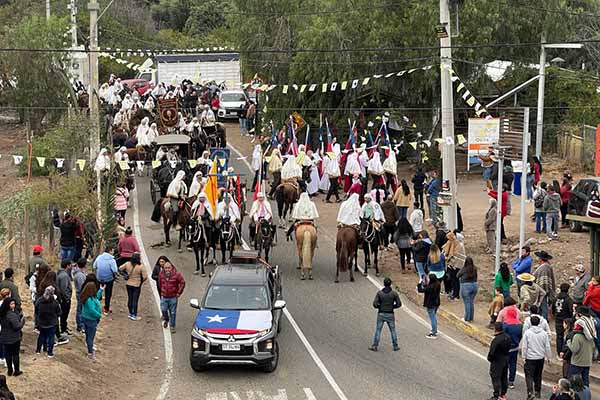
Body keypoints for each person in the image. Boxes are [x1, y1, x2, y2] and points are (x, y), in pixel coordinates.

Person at [521, 315, 552, 400]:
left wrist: (523, 356)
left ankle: (530, 392)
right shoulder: (544, 333)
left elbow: (524, 346)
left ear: (531, 322)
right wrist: (549, 357)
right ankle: (538, 392)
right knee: (538, 375)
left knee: (529, 376)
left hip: (530, 358)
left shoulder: (527, 333)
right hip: (540, 358)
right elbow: (547, 346)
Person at [369, 277, 401, 351]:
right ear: (390, 284)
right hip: (390, 314)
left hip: (381, 313)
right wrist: (392, 307)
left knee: (378, 330)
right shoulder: (394, 293)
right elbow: (399, 304)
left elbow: (375, 304)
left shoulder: (380, 293)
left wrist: (380, 306)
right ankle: (395, 346)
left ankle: (375, 346)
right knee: (392, 330)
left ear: (384, 284)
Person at [566, 306, 595, 387]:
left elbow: (574, 349)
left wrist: (568, 342)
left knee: (572, 382)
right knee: (585, 382)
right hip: (587, 362)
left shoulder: (577, 336)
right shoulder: (591, 336)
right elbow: (593, 347)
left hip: (577, 362)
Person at [119, 252, 147, 321]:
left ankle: (130, 313)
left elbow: (120, 269)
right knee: (135, 300)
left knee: (130, 298)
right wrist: (141, 281)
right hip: (137, 285)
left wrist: (125, 274)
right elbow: (145, 276)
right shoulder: (140, 267)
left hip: (128, 283)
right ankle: (134, 314)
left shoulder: (127, 264)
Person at [34, 286, 61, 358]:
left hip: (42, 322)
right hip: (52, 323)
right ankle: (50, 352)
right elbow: (59, 312)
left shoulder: (39, 300)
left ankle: (38, 350)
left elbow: (36, 310)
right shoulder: (55, 302)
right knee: (51, 337)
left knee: (41, 336)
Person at [159, 262, 185, 334]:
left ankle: (172, 326)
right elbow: (159, 283)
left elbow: (182, 282)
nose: (167, 269)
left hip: (173, 297)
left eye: (168, 268)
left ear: (171, 268)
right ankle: (166, 319)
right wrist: (162, 291)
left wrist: (179, 292)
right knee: (163, 309)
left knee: (173, 312)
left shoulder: (177, 274)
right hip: (164, 296)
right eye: (166, 268)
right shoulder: (161, 274)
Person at [80, 280, 104, 361]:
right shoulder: (90, 300)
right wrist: (99, 315)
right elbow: (92, 310)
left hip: (86, 318)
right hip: (91, 320)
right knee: (90, 337)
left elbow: (96, 297)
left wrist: (101, 290)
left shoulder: (88, 297)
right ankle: (90, 352)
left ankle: (90, 346)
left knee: (88, 335)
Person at [487, 321, 511, 400]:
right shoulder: (507, 337)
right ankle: (503, 393)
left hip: (497, 361)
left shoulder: (496, 340)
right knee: (504, 377)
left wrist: (490, 358)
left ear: (495, 329)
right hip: (505, 359)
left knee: (496, 377)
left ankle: (496, 395)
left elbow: (492, 352)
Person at [0, 298, 24, 376]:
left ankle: (9, 371)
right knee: (15, 354)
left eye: (13, 303)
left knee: (8, 354)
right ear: (8, 305)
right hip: (14, 337)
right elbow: (17, 326)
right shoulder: (11, 315)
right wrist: (22, 322)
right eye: (11, 304)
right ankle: (16, 371)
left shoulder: (2, 314)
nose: (13, 305)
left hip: (4, 337)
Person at [501, 305, 523, 389]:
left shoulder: (505, 324)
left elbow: (502, 336)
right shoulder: (520, 325)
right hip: (515, 347)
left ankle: (503, 380)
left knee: (504, 364)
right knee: (513, 364)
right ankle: (511, 381)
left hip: (506, 348)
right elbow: (521, 336)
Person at [93, 248, 118, 315]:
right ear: (109, 251)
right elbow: (115, 270)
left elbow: (94, 266)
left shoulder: (99, 257)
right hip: (108, 279)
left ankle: (95, 306)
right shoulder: (112, 260)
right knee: (108, 294)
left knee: (97, 292)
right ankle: (106, 309)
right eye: (112, 251)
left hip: (99, 278)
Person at [416, 273, 441, 338]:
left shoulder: (430, 287)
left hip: (430, 304)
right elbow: (427, 287)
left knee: (432, 318)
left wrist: (419, 284)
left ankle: (434, 332)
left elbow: (420, 290)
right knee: (434, 316)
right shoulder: (438, 284)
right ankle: (434, 330)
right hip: (437, 302)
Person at [533, 250, 555, 320]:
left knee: (543, 305)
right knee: (541, 305)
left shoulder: (544, 268)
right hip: (542, 289)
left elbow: (544, 281)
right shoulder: (545, 267)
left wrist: (541, 289)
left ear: (541, 259)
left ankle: (544, 319)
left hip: (542, 290)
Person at [443, 232, 465, 301]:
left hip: (456, 266)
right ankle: (454, 293)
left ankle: (456, 295)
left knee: (456, 280)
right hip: (452, 266)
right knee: (453, 280)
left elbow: (455, 256)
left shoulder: (459, 246)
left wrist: (449, 261)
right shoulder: (455, 244)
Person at [554, 283, 574, 356]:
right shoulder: (569, 300)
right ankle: (565, 352)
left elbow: (553, 309)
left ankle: (559, 352)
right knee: (567, 337)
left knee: (559, 337)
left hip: (558, 319)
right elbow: (571, 310)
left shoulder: (556, 298)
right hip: (566, 320)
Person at [56, 259, 73, 337]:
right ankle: (63, 329)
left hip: (62, 298)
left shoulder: (60, 273)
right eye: (70, 265)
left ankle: (64, 327)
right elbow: (64, 289)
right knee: (64, 314)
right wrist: (67, 298)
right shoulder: (64, 276)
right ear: (67, 266)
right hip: (64, 299)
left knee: (64, 315)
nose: (71, 266)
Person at [458, 257, 478, 322]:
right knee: (471, 302)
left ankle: (467, 318)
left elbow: (457, 275)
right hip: (474, 285)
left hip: (466, 286)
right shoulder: (475, 268)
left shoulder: (464, 269)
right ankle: (471, 318)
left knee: (467, 302)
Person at [72, 258, 87, 333]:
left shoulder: (79, 273)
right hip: (81, 294)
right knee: (80, 310)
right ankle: (80, 326)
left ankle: (81, 325)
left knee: (80, 309)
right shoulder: (80, 275)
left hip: (80, 293)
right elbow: (82, 286)